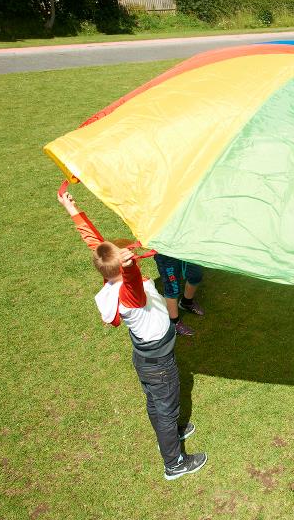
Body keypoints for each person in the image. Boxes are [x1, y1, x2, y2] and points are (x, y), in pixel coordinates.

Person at [58, 191, 207, 480]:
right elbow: (133, 283)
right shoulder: (130, 295)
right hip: (159, 364)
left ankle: (170, 432)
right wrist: (129, 268)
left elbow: (95, 243)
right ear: (122, 269)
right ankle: (174, 463)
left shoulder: (109, 274)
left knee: (156, 404)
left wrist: (72, 208)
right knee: (166, 408)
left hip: (145, 360)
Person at [153, 253, 204, 337]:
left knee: (196, 275)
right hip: (166, 254)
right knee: (173, 288)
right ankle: (174, 323)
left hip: (187, 249)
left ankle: (186, 302)